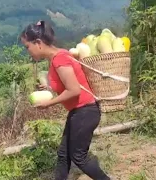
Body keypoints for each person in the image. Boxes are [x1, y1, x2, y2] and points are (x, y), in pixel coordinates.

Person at [19, 20, 111, 180]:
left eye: (28, 47)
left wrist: (49, 103)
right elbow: (67, 85)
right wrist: (48, 89)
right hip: (79, 111)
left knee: (79, 157)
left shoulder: (59, 59)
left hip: (85, 111)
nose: (28, 51)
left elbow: (74, 90)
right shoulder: (57, 56)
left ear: (38, 43)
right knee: (63, 154)